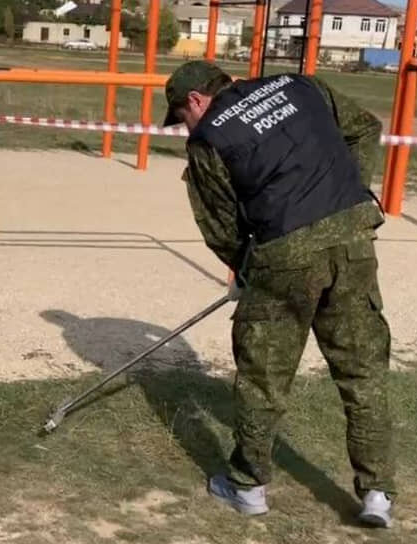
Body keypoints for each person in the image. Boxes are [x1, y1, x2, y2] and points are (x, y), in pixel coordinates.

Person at [162, 60, 395, 528]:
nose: (185, 126)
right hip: (353, 241)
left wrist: (246, 269)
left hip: (283, 256)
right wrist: (351, 191)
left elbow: (220, 227)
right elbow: (365, 128)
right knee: (363, 373)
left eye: (181, 117)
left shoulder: (208, 139)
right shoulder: (302, 85)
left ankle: (248, 487)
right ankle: (377, 495)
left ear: (195, 101)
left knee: (263, 378)